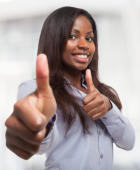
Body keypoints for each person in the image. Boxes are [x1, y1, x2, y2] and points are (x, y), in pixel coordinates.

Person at [5, 6, 135, 170]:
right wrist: (43, 125)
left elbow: (128, 141)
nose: (84, 45)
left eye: (89, 38)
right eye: (73, 36)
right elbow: (40, 145)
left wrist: (109, 109)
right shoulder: (38, 90)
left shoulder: (102, 93)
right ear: (54, 40)